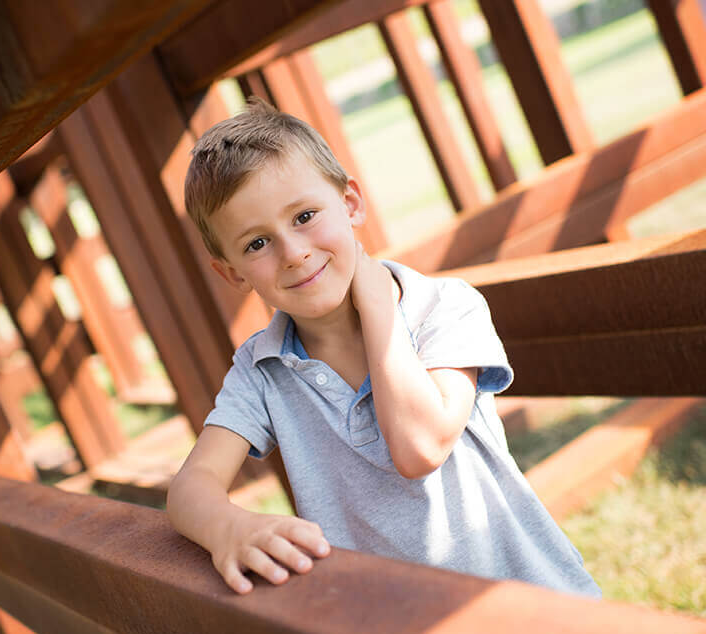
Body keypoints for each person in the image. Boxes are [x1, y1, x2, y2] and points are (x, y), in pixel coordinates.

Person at [166, 99, 600, 598]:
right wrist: (229, 528)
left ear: (350, 203)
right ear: (231, 272)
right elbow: (191, 486)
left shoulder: (443, 308)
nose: (294, 252)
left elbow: (420, 447)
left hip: (531, 604)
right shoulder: (261, 370)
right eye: (256, 244)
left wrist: (379, 310)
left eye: (305, 216)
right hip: (390, 629)